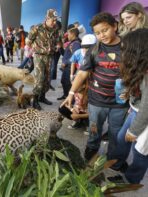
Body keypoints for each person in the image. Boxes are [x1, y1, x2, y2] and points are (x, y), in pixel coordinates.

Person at [61, 12, 129, 161]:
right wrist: (71, 94)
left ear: (115, 26)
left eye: (105, 30)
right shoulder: (94, 50)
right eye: (97, 33)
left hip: (120, 103)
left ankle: (112, 160)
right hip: (97, 101)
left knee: (115, 133)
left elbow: (137, 71)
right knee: (94, 130)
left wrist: (132, 91)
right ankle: (90, 154)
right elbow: (82, 74)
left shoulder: (128, 47)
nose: (102, 35)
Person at [108, 28, 148, 184]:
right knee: (121, 137)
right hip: (137, 111)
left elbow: (147, 107)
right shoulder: (141, 69)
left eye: (125, 49)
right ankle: (117, 164)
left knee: (140, 152)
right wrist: (131, 97)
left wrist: (134, 130)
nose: (122, 53)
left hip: (143, 115)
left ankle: (132, 180)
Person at [28, 9, 61, 109]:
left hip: (50, 57)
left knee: (47, 78)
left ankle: (42, 97)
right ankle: (34, 100)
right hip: (39, 56)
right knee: (39, 78)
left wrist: (58, 46)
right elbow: (28, 41)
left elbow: (59, 41)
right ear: (47, 18)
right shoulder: (37, 28)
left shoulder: (56, 29)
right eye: (53, 20)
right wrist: (35, 49)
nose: (54, 22)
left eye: (56, 20)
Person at [57, 27, 81, 100]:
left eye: (69, 34)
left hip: (70, 66)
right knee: (63, 81)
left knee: (67, 82)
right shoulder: (72, 43)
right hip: (67, 66)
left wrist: (65, 62)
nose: (67, 36)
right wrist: (60, 48)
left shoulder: (76, 44)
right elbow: (65, 54)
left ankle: (69, 97)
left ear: (73, 34)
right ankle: (65, 95)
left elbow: (76, 57)